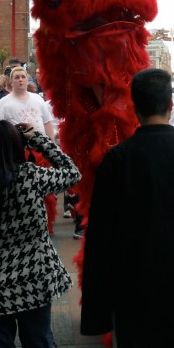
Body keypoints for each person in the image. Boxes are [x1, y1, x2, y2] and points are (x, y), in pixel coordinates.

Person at [0, 120, 81, 348]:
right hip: (35, 275)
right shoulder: (30, 176)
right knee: (38, 339)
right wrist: (38, 139)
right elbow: (72, 173)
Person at [81, 68, 174, 347]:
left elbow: (100, 240)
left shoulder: (118, 160)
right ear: (170, 105)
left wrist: (97, 315)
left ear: (134, 106)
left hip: (134, 291)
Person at [0, 66, 55, 141]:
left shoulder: (38, 99)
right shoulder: (3, 103)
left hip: (40, 148)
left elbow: (47, 123)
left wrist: (52, 143)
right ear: (11, 82)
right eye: (17, 77)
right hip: (16, 147)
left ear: (28, 81)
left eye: (23, 77)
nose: (20, 79)